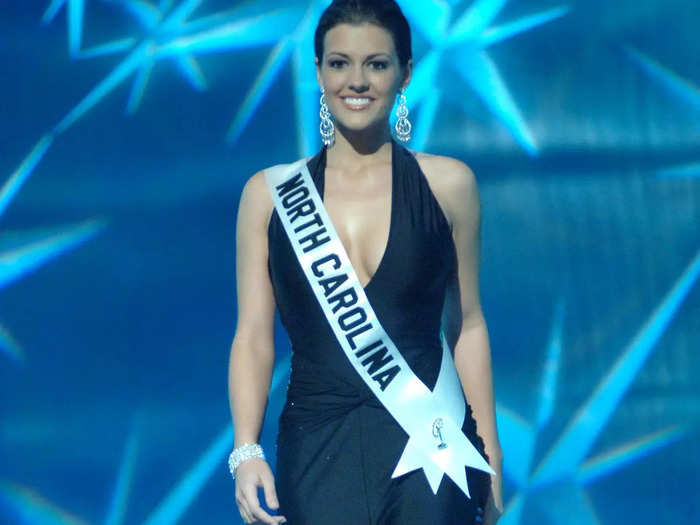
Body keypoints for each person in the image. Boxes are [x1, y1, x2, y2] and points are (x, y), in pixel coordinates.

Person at [228, 1, 503, 523]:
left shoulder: (449, 186)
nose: (357, 81)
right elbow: (252, 336)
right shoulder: (268, 196)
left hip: (434, 450)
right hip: (315, 447)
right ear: (318, 72)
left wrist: (490, 451)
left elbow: (467, 324)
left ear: (405, 73)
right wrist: (246, 452)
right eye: (339, 63)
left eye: (376, 64)